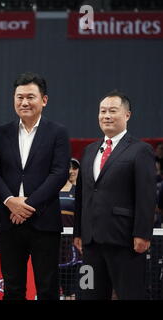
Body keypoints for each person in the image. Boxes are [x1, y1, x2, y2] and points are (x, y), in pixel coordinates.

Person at [0, 72, 70, 300]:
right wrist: (10, 202)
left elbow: (59, 174)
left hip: (44, 221)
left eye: (30, 97)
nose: (24, 102)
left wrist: (27, 205)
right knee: (12, 288)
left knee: (47, 288)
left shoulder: (58, 133)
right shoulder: (1, 133)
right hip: (9, 221)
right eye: (19, 97)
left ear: (44, 100)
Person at [73, 90, 155, 300]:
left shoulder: (140, 150)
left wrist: (143, 234)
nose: (106, 115)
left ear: (127, 115)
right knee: (88, 293)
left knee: (131, 294)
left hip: (125, 241)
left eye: (112, 111)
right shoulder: (90, 150)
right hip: (90, 243)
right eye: (102, 111)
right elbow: (82, 195)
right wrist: (78, 232)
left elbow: (146, 196)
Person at [59, 158, 82, 300]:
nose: (71, 171)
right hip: (52, 244)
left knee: (71, 288)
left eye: (74, 168)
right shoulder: (49, 191)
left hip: (71, 244)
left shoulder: (78, 192)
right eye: (68, 168)